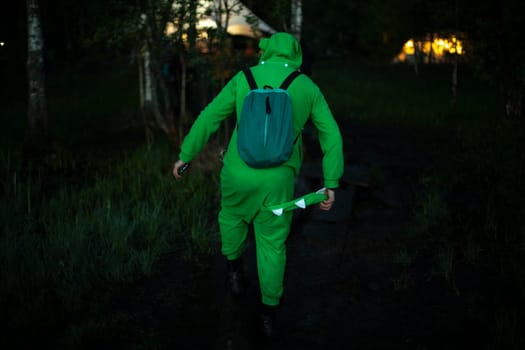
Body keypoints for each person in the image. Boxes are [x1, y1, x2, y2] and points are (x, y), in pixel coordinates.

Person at [173, 32, 344, 339]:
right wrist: (331, 181)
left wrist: (186, 156)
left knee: (232, 218)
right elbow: (331, 135)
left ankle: (234, 270)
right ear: (295, 55)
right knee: (272, 245)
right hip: (277, 182)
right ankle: (268, 313)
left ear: (266, 51)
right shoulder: (306, 87)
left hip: (238, 174)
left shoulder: (244, 78)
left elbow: (210, 117)